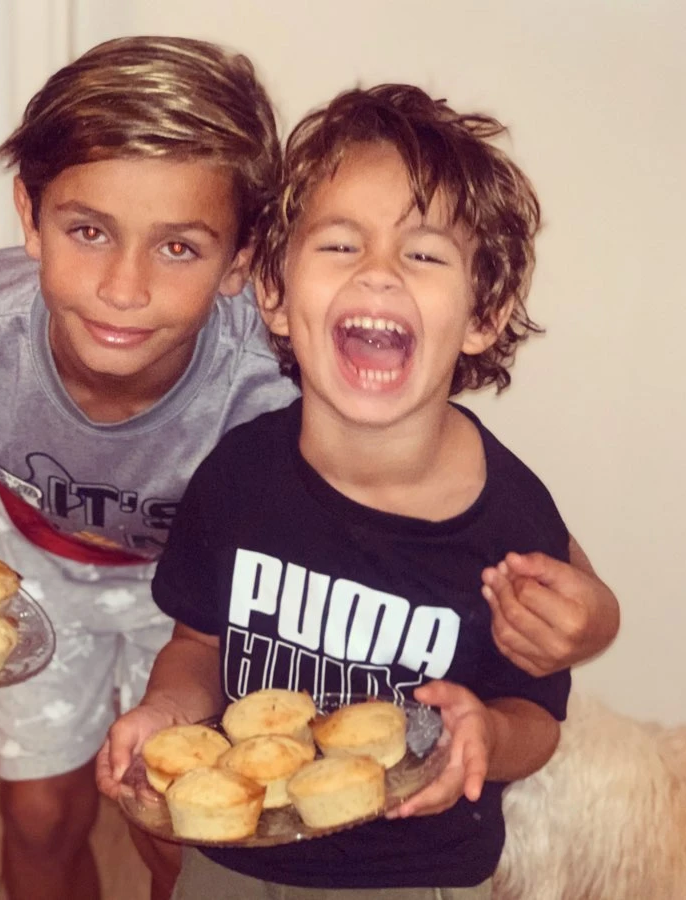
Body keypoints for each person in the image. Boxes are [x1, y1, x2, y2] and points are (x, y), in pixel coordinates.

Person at [98, 83, 595, 899]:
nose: (378, 272)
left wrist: (486, 736)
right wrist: (165, 713)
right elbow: (198, 645)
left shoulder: (509, 519)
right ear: (274, 293)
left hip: (415, 872)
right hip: (236, 849)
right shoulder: (236, 476)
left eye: (424, 254)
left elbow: (537, 718)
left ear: (485, 313)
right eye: (339, 244)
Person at [0, 36, 297, 900]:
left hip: (207, 603)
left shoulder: (277, 384)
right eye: (88, 231)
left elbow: (419, 485)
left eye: (178, 248)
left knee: (178, 833)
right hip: (40, 568)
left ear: (241, 259)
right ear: (30, 213)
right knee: (40, 816)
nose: (123, 288)